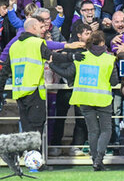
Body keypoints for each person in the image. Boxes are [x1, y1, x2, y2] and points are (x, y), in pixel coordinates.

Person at [0, 17, 85, 135]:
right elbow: (52, 56)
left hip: (20, 94)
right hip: (34, 92)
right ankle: (35, 153)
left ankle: (28, 153)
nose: (43, 30)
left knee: (26, 130)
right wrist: (71, 57)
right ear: (33, 27)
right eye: (40, 27)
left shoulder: (15, 46)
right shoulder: (37, 43)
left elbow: (4, 71)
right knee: (36, 129)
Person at [49, 31, 118, 171]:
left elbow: (68, 74)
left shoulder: (81, 57)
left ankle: (94, 160)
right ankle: (99, 159)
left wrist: (52, 65)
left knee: (92, 131)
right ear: (103, 43)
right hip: (103, 99)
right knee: (106, 130)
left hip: (84, 99)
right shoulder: (110, 59)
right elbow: (115, 80)